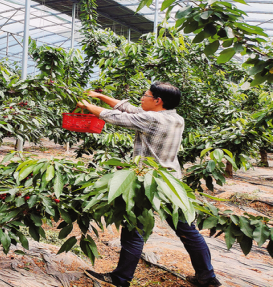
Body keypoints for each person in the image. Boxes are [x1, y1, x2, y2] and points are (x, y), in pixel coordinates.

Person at [76, 82, 221, 287]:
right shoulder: (175, 118)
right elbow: (128, 108)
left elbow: (116, 117)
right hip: (171, 183)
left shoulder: (151, 118)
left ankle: (120, 279)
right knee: (188, 230)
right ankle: (208, 278)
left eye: (145, 95)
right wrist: (98, 96)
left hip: (147, 182)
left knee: (134, 231)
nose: (141, 98)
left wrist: (87, 105)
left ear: (157, 100)